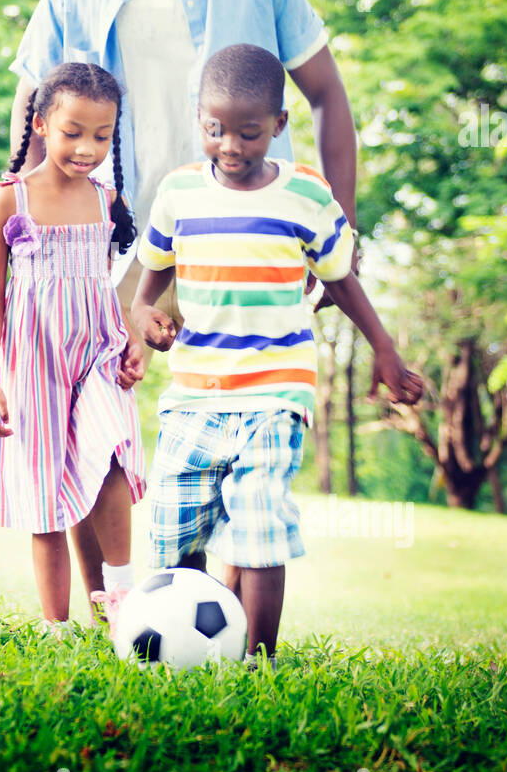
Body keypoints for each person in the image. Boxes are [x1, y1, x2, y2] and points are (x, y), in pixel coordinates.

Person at [9, 0, 361, 594]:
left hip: (237, 223)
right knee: (89, 419)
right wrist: (26, 197)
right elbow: (32, 98)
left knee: (236, 422)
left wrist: (337, 223)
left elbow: (329, 95)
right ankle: (112, 603)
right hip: (109, 230)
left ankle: (224, 608)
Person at [130, 45, 422, 662]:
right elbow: (151, 273)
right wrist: (141, 315)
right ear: (199, 120)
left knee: (258, 523)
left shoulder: (308, 197)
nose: (230, 145)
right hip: (193, 395)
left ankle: (259, 661)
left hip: (274, 392)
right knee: (171, 527)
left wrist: (386, 350)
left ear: (280, 126)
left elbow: (341, 280)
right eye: (215, 130)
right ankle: (183, 646)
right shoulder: (179, 192)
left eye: (249, 132)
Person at [0, 63, 146, 635]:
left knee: (111, 453)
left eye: (102, 135)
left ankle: (119, 594)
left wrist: (132, 341)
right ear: (41, 124)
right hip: (32, 361)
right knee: (42, 485)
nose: (88, 148)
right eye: (73, 132)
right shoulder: (10, 200)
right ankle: (56, 623)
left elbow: (103, 285)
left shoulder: (105, 200)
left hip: (96, 352)